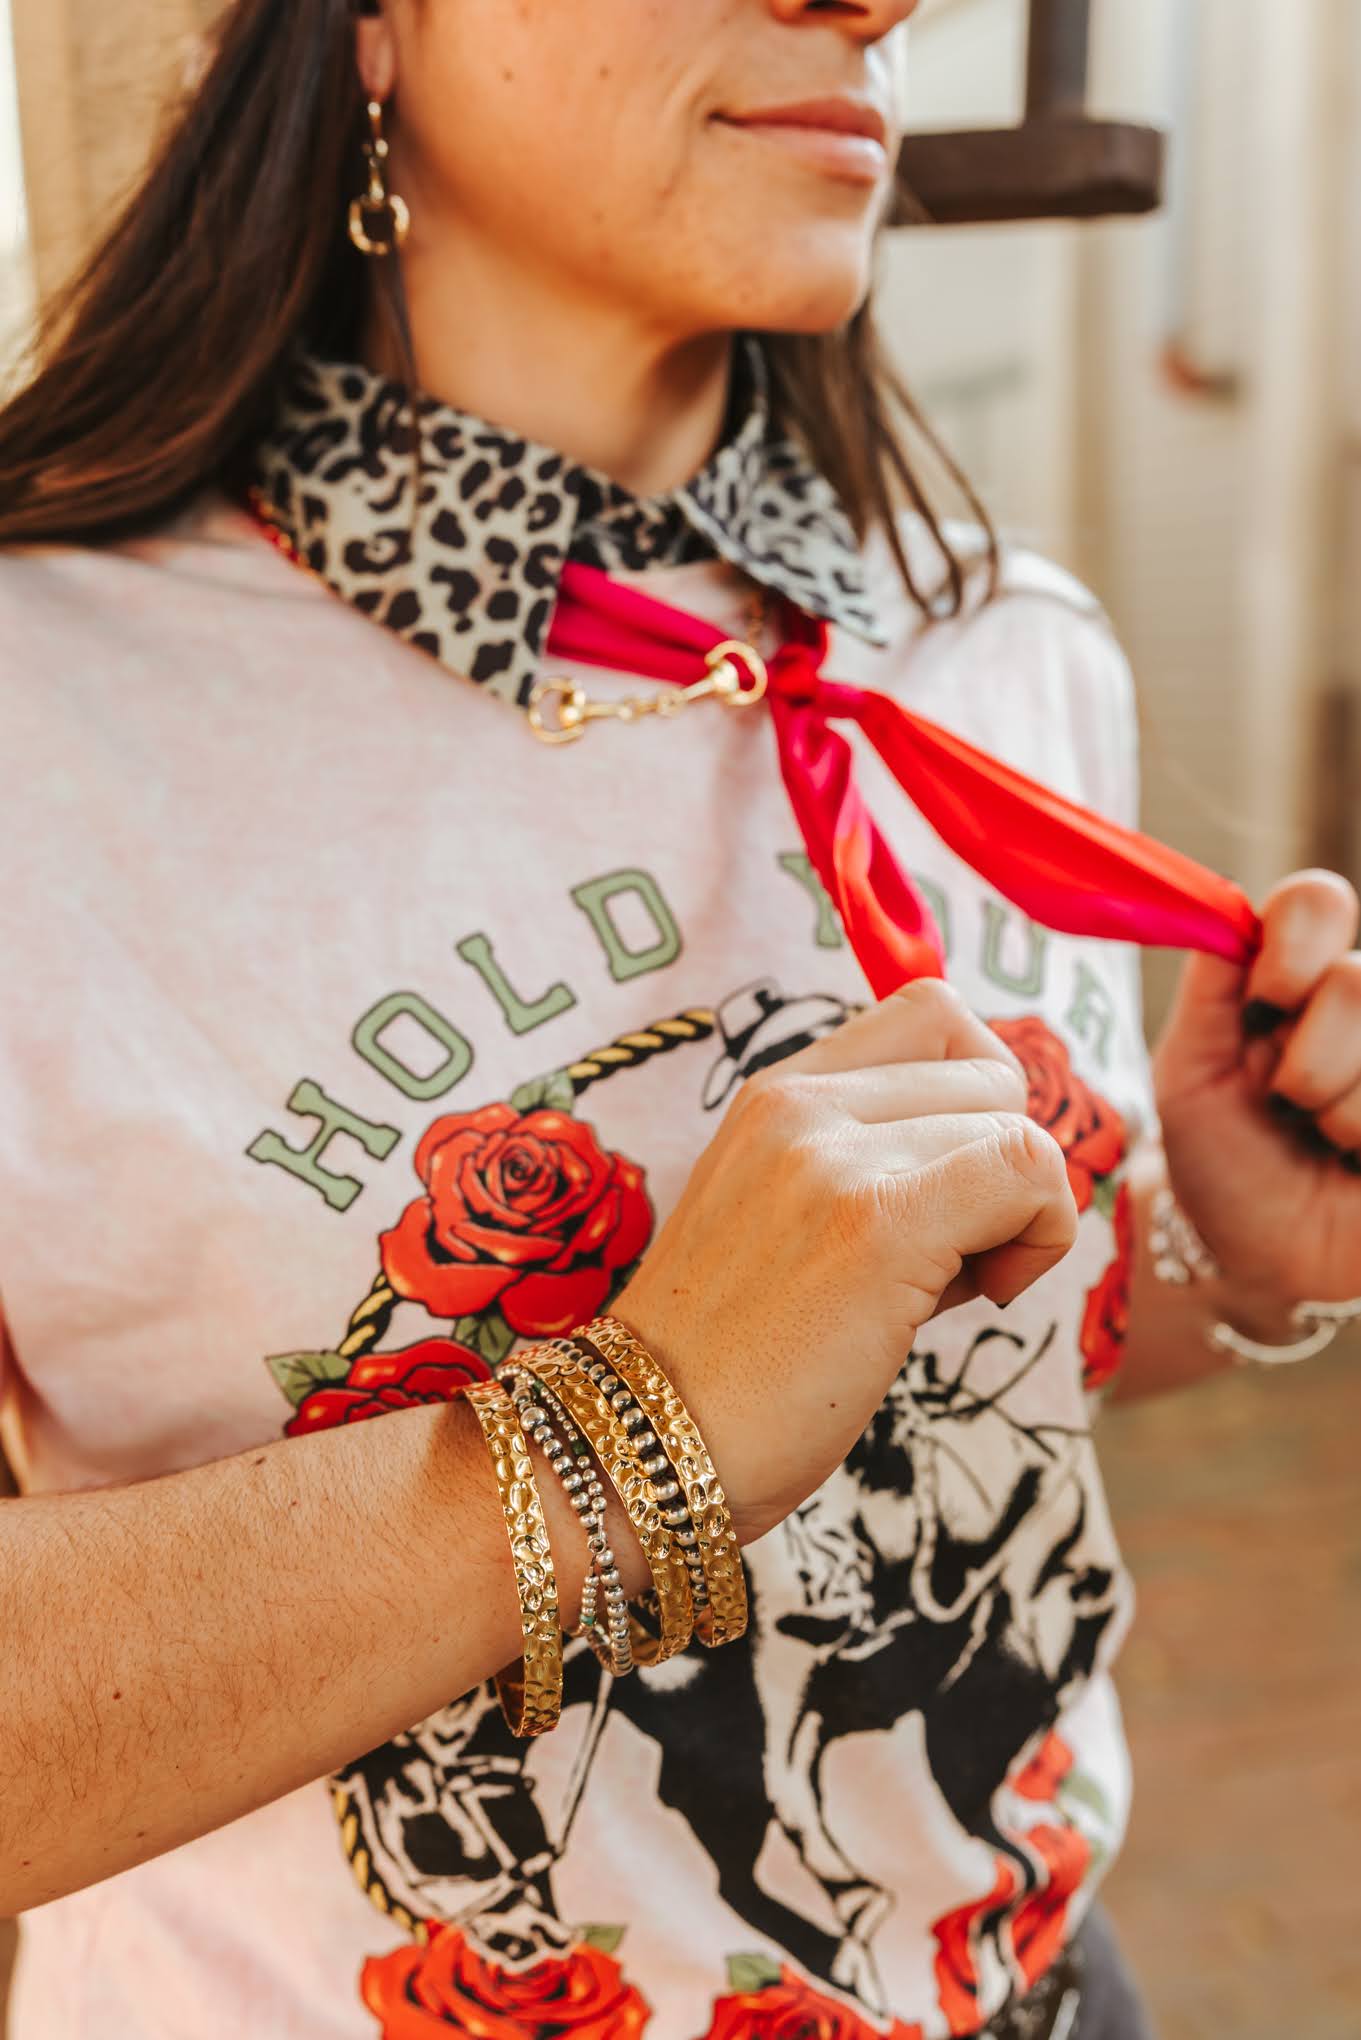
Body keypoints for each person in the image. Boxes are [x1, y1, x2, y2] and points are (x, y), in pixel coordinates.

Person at [0, 1, 1358, 2036]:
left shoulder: (1000, 650)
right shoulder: (44, 721)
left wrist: (1219, 1246)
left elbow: (975, 1385)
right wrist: (636, 1434)